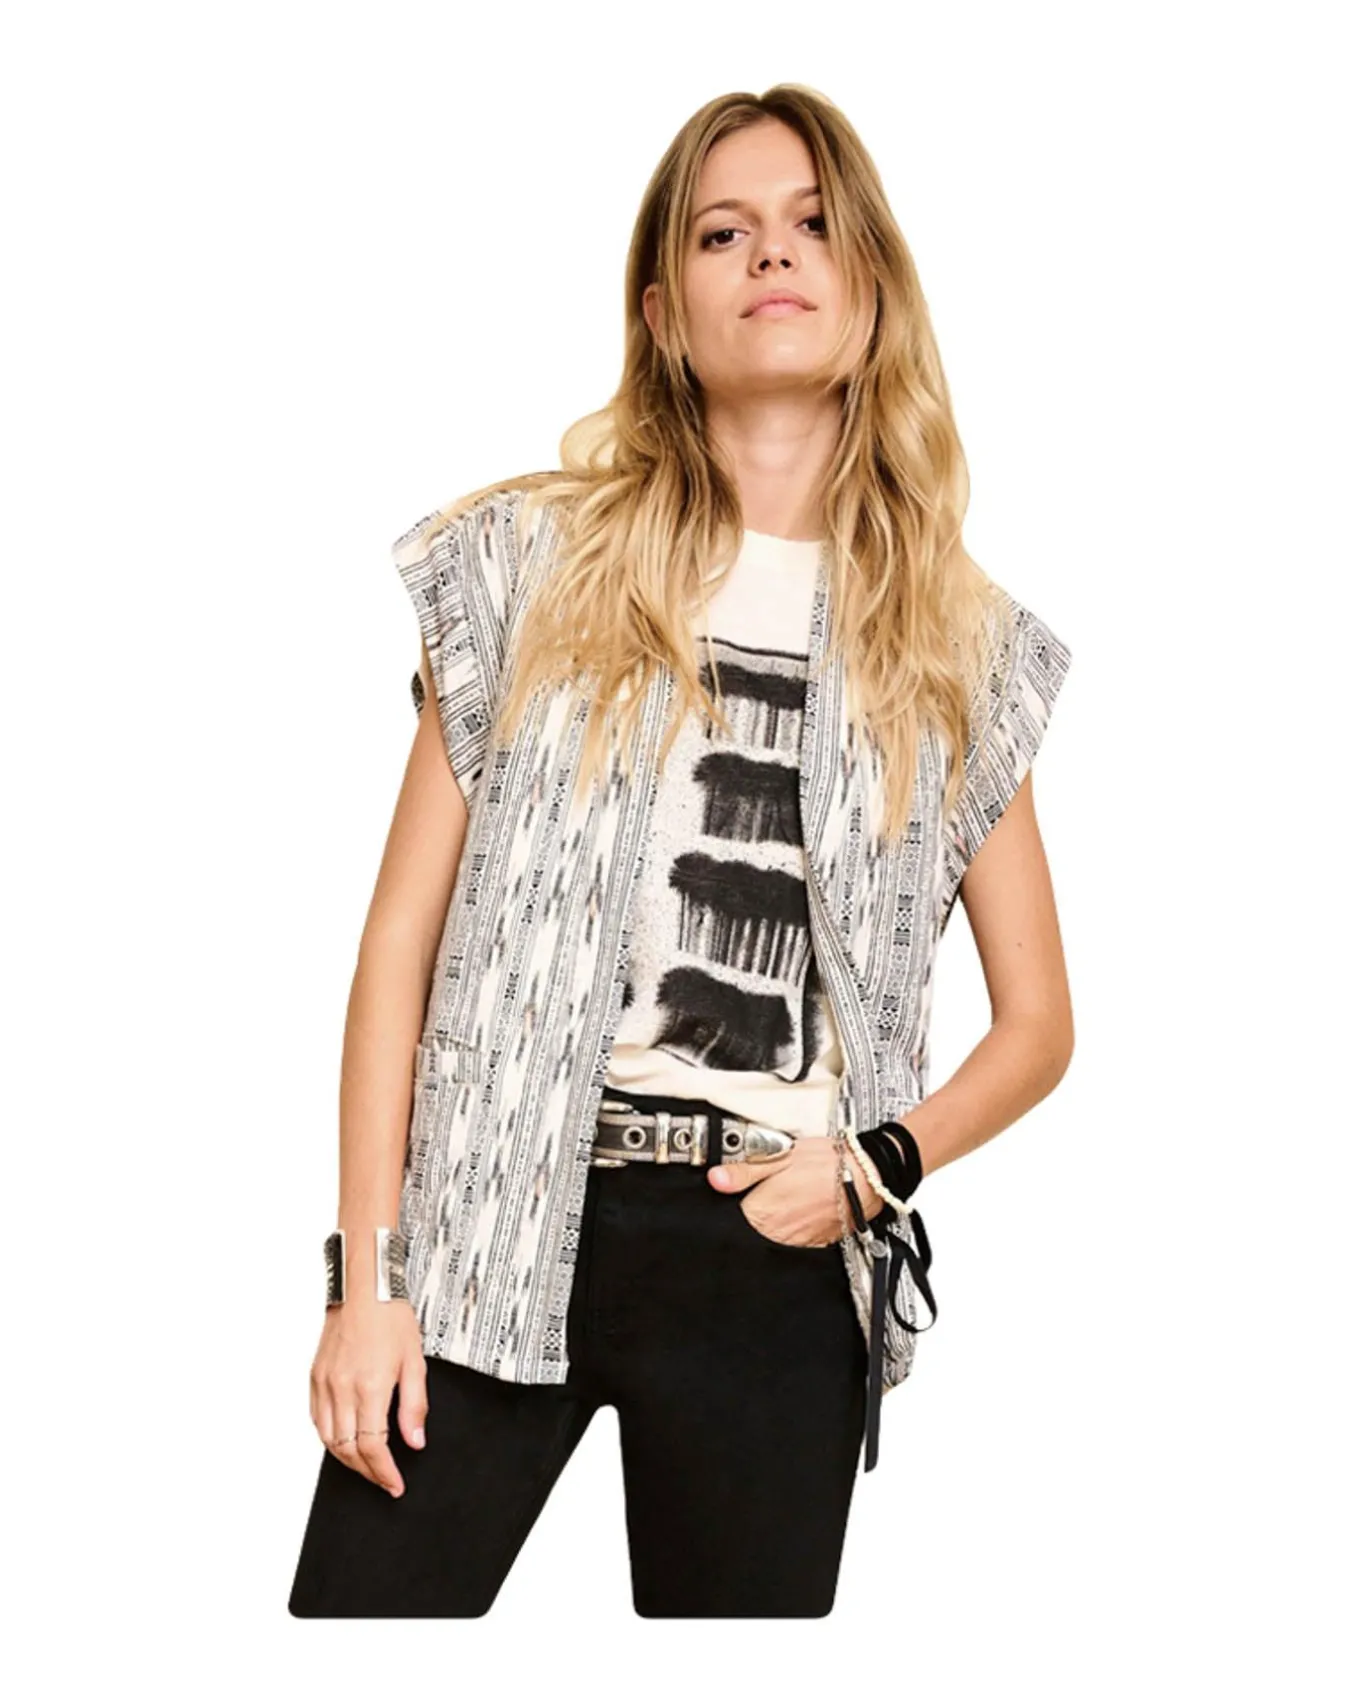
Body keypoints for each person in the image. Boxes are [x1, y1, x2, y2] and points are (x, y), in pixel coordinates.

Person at [287, 82, 1075, 1620]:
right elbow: (398, 947)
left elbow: (1039, 1023)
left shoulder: (962, 649)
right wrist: (367, 1284)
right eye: (723, 233)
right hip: (499, 1216)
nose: (771, 255)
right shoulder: (526, 563)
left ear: (871, 286)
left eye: (812, 224)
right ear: (663, 312)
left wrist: (873, 1170)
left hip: (777, 1249)